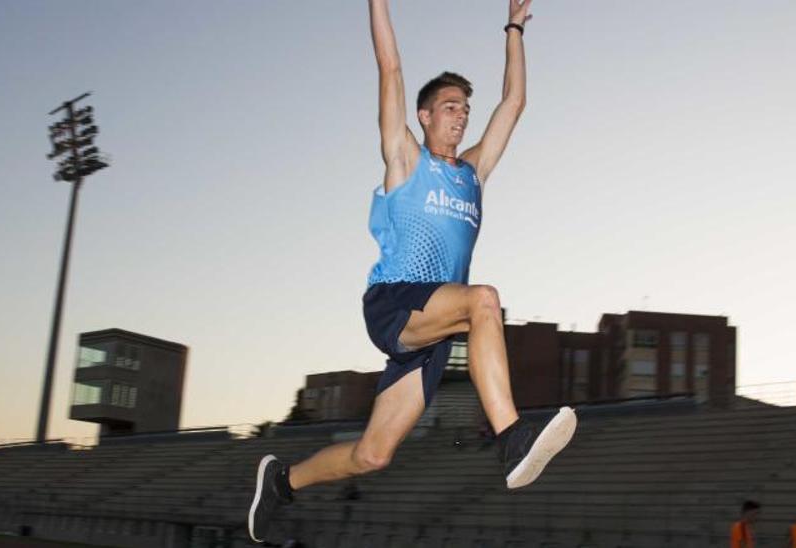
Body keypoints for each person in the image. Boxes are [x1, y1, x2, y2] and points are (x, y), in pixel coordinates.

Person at [247, 0, 578, 543]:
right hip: (396, 300)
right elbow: (391, 68)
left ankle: (282, 481)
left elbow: (514, 102)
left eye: (465, 109)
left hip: (431, 334)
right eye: (451, 106)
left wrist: (514, 28)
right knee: (484, 301)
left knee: (373, 455)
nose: (461, 115)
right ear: (425, 116)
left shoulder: (473, 174)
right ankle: (512, 437)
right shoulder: (405, 159)